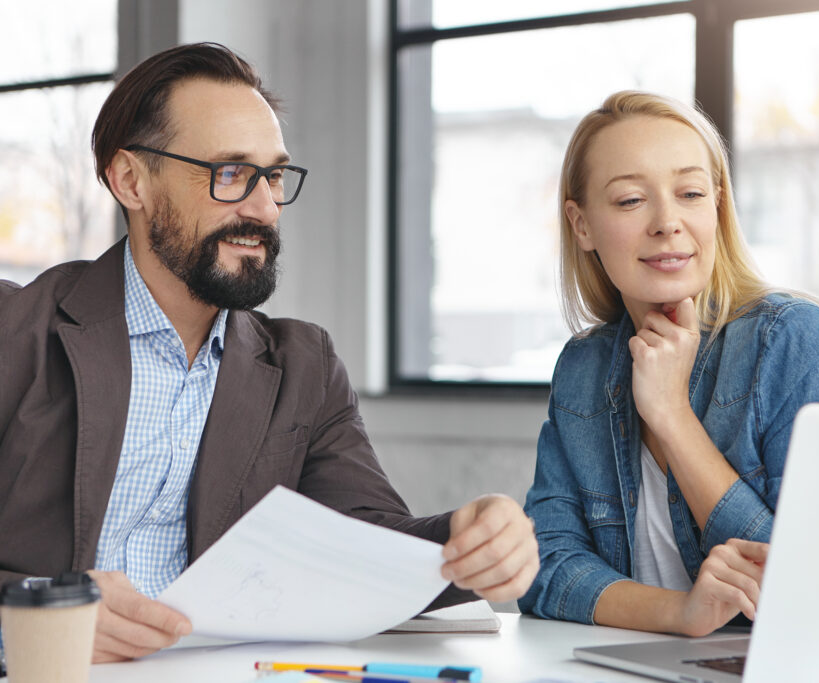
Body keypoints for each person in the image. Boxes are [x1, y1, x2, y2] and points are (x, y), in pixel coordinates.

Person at [0, 43, 538, 663]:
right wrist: (37, 622)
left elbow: (370, 544)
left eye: (274, 175)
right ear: (131, 181)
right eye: (229, 173)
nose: (262, 207)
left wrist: (471, 540)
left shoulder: (304, 368)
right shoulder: (16, 334)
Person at [517, 91, 819, 636]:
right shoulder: (582, 371)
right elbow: (544, 568)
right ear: (581, 224)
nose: (668, 222)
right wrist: (681, 614)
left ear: (718, 206)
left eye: (690, 192)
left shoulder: (792, 342)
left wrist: (672, 415)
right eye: (631, 200)